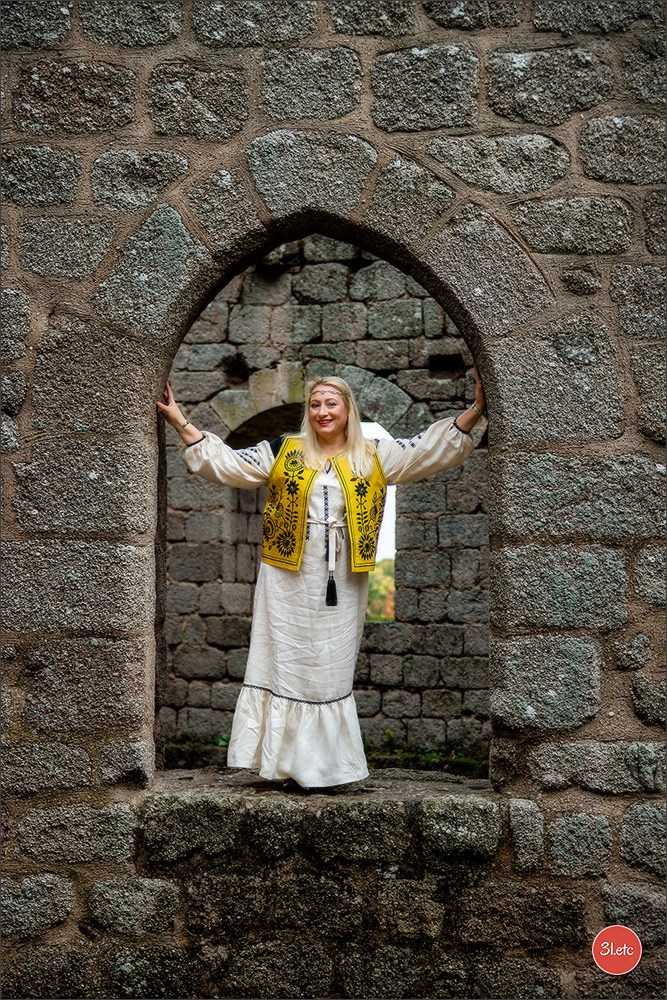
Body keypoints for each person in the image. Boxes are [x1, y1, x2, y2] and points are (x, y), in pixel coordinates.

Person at [157, 370, 486, 790]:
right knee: (286, 661)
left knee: (330, 666)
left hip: (344, 577)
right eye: (315, 404)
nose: (322, 411)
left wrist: (476, 409)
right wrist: (181, 422)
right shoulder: (284, 450)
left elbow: (427, 450)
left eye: (331, 403)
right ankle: (282, 764)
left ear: (348, 409)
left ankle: (326, 768)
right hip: (286, 574)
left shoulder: (374, 453)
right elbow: (230, 464)